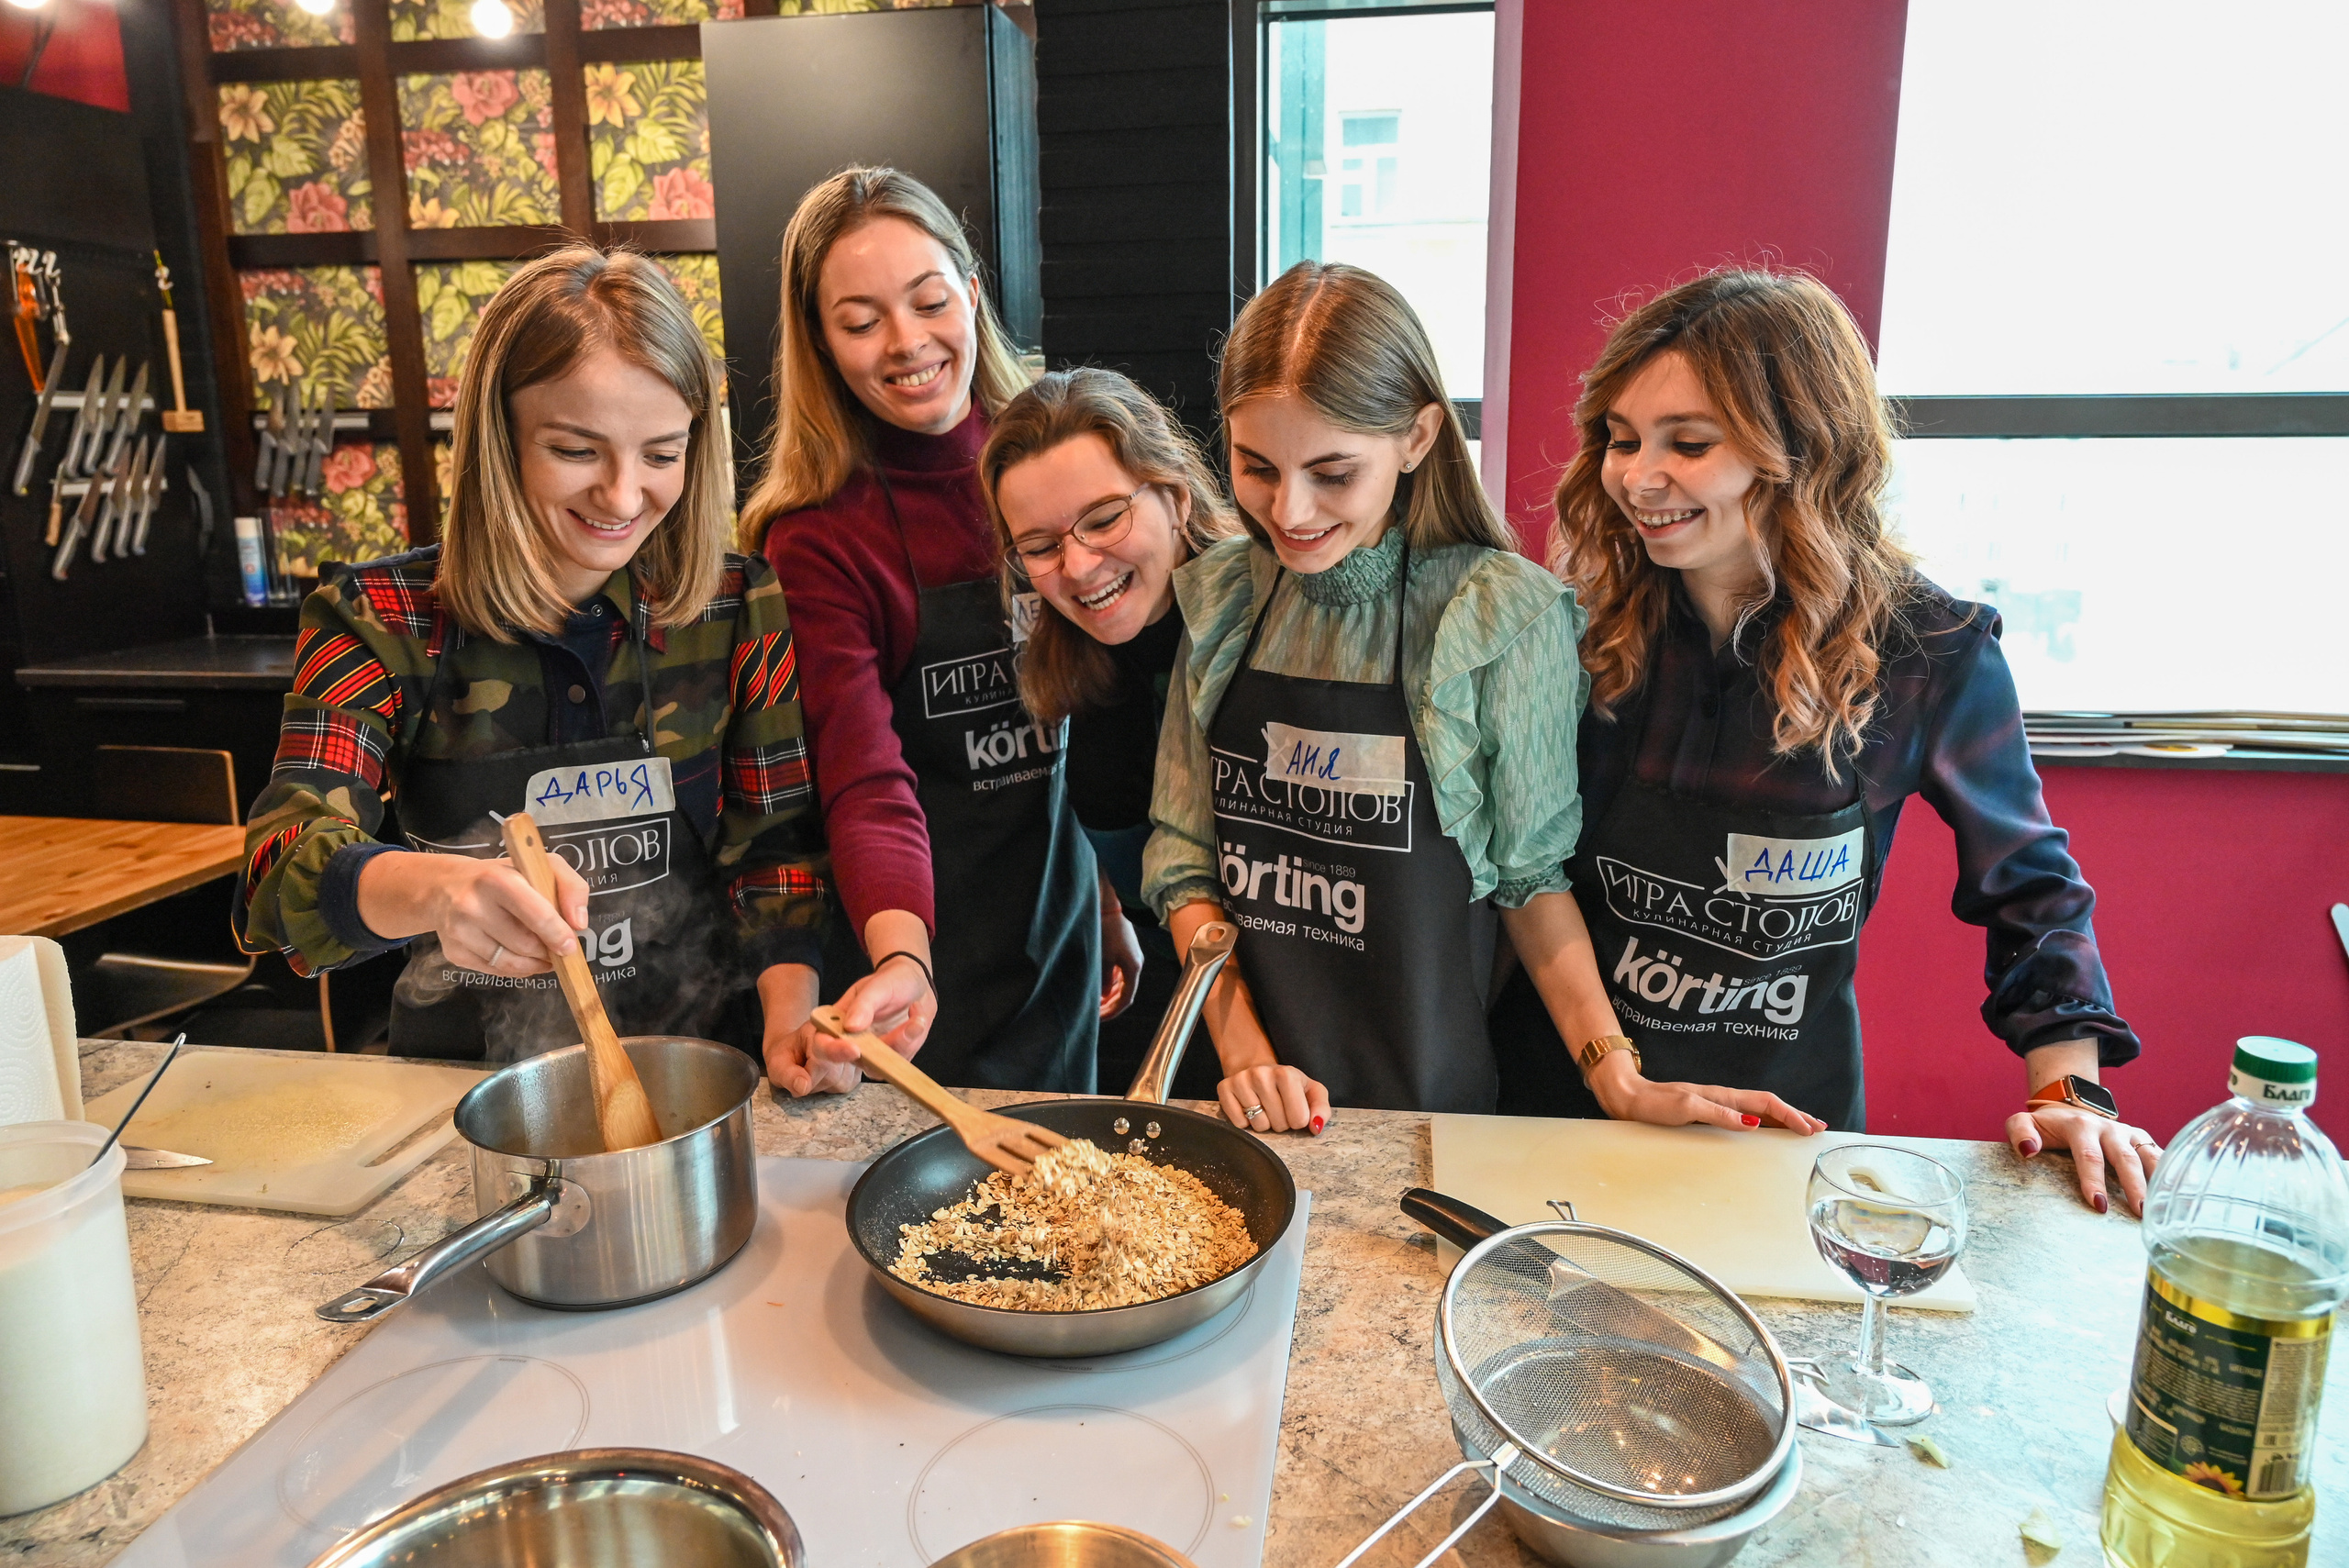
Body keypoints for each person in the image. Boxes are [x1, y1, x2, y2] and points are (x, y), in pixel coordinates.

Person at [1497, 266, 2154, 1214]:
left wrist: (2070, 1093)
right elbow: (1525, 871)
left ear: (1801, 449)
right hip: (1563, 1102)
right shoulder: (1576, 632)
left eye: (1689, 443)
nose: (1638, 477)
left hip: (1781, 1131)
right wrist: (1612, 1068)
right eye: (1622, 438)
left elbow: (2032, 891)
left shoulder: (1930, 655)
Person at [236, 247, 827, 1062]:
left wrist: (793, 1025)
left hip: (696, 1072)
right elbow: (280, 868)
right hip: (463, 1083)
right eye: (577, 451)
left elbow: (777, 857)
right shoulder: (378, 619)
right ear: (499, 438)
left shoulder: (734, 605)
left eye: (661, 454)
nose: (623, 496)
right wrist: (440, 891)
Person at [1143, 261, 1618, 1133]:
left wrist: (1612, 1069)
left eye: (1332, 473)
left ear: (1419, 436)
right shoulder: (1223, 598)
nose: (1290, 511)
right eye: (1256, 467)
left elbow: (1531, 885)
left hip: (1428, 1108)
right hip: (1243, 1099)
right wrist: (1247, 1056)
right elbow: (1185, 864)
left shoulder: (1499, 616)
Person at [745, 168, 1113, 1098]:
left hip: (1055, 929)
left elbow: (1092, 711)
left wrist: (1108, 884)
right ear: (820, 343)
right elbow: (865, 776)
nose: (907, 342)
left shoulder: (1053, 462)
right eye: (861, 322)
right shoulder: (819, 535)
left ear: (972, 294)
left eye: (929, 300)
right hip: (906, 961)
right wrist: (905, 960)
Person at [976, 368, 1241, 1096]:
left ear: (1175, 496)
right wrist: (1107, 903)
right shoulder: (1070, 653)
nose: (1080, 566)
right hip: (1163, 994)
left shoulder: (1268, 626)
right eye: (1040, 546)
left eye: (1103, 519)